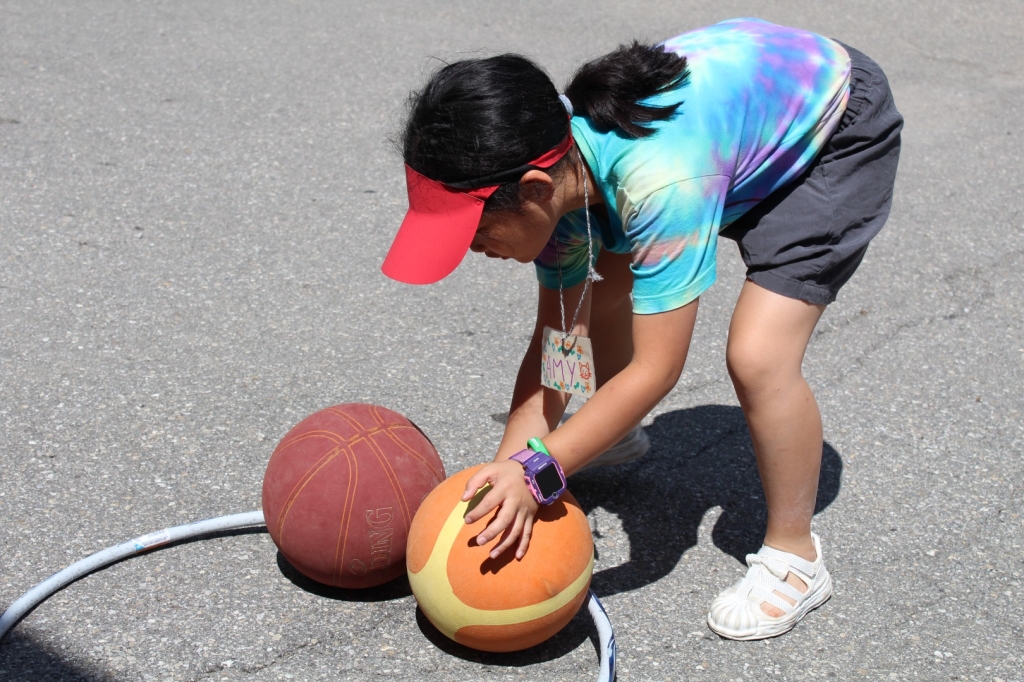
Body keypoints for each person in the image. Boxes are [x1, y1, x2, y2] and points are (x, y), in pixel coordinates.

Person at [382, 17, 902, 640]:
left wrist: (542, 469)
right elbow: (560, 341)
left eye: (475, 230)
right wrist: (511, 470)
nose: (472, 249)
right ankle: (613, 429)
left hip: (831, 131)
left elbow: (658, 369)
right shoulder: (557, 172)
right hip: (735, 126)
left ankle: (797, 557)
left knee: (759, 356)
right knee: (596, 291)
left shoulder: (662, 182)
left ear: (533, 189)